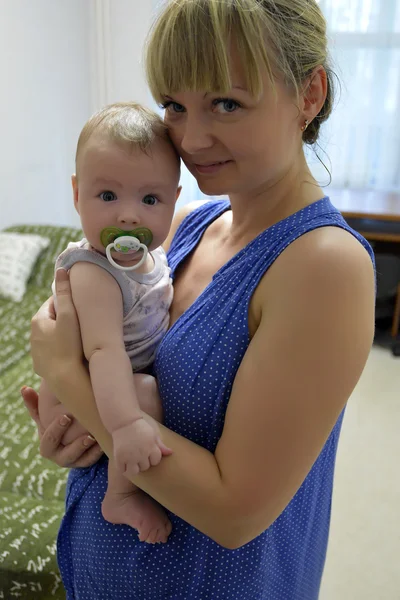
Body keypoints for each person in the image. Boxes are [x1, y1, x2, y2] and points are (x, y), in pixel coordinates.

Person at [22, 0, 376, 598]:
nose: (190, 137)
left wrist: (62, 369)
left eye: (227, 103)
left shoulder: (323, 266)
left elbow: (234, 513)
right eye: (175, 106)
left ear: (309, 94)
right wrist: (74, 433)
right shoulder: (190, 224)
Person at [38, 102, 181, 543]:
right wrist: (124, 425)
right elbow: (103, 350)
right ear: (78, 194)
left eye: (150, 199)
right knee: (146, 395)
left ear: (174, 201)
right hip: (84, 393)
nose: (128, 216)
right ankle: (119, 496)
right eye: (107, 196)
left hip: (108, 383)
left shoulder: (149, 255)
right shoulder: (95, 272)